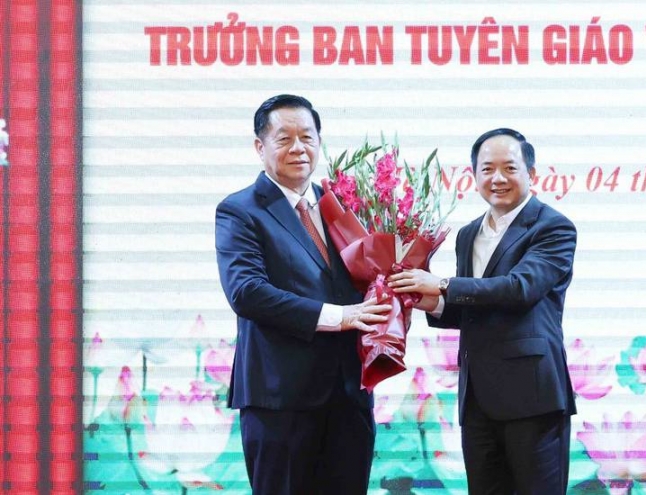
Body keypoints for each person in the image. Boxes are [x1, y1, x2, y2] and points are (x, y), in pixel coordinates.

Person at [215, 94, 391, 494]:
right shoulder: (240, 211)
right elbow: (246, 291)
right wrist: (340, 316)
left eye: (307, 137)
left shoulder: (344, 206)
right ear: (260, 147)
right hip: (281, 400)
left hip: (349, 397)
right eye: (284, 138)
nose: (298, 148)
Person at [388, 128, 577, 494]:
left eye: (510, 168)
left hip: (532, 398)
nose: (498, 178)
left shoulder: (553, 227)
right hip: (477, 400)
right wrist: (426, 299)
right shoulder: (468, 234)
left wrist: (442, 284)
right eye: (487, 169)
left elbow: (520, 289)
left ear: (531, 174)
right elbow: (472, 308)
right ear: (474, 176)